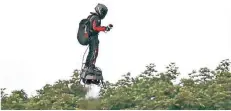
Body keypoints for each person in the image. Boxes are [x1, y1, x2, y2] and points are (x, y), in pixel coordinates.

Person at [84, 3, 112, 72]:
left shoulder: (92, 17)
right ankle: (89, 66)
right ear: (100, 10)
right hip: (93, 37)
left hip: (91, 37)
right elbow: (95, 27)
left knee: (92, 51)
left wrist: (105, 28)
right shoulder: (96, 18)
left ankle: (88, 66)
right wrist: (104, 28)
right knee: (94, 51)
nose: (104, 14)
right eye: (103, 12)